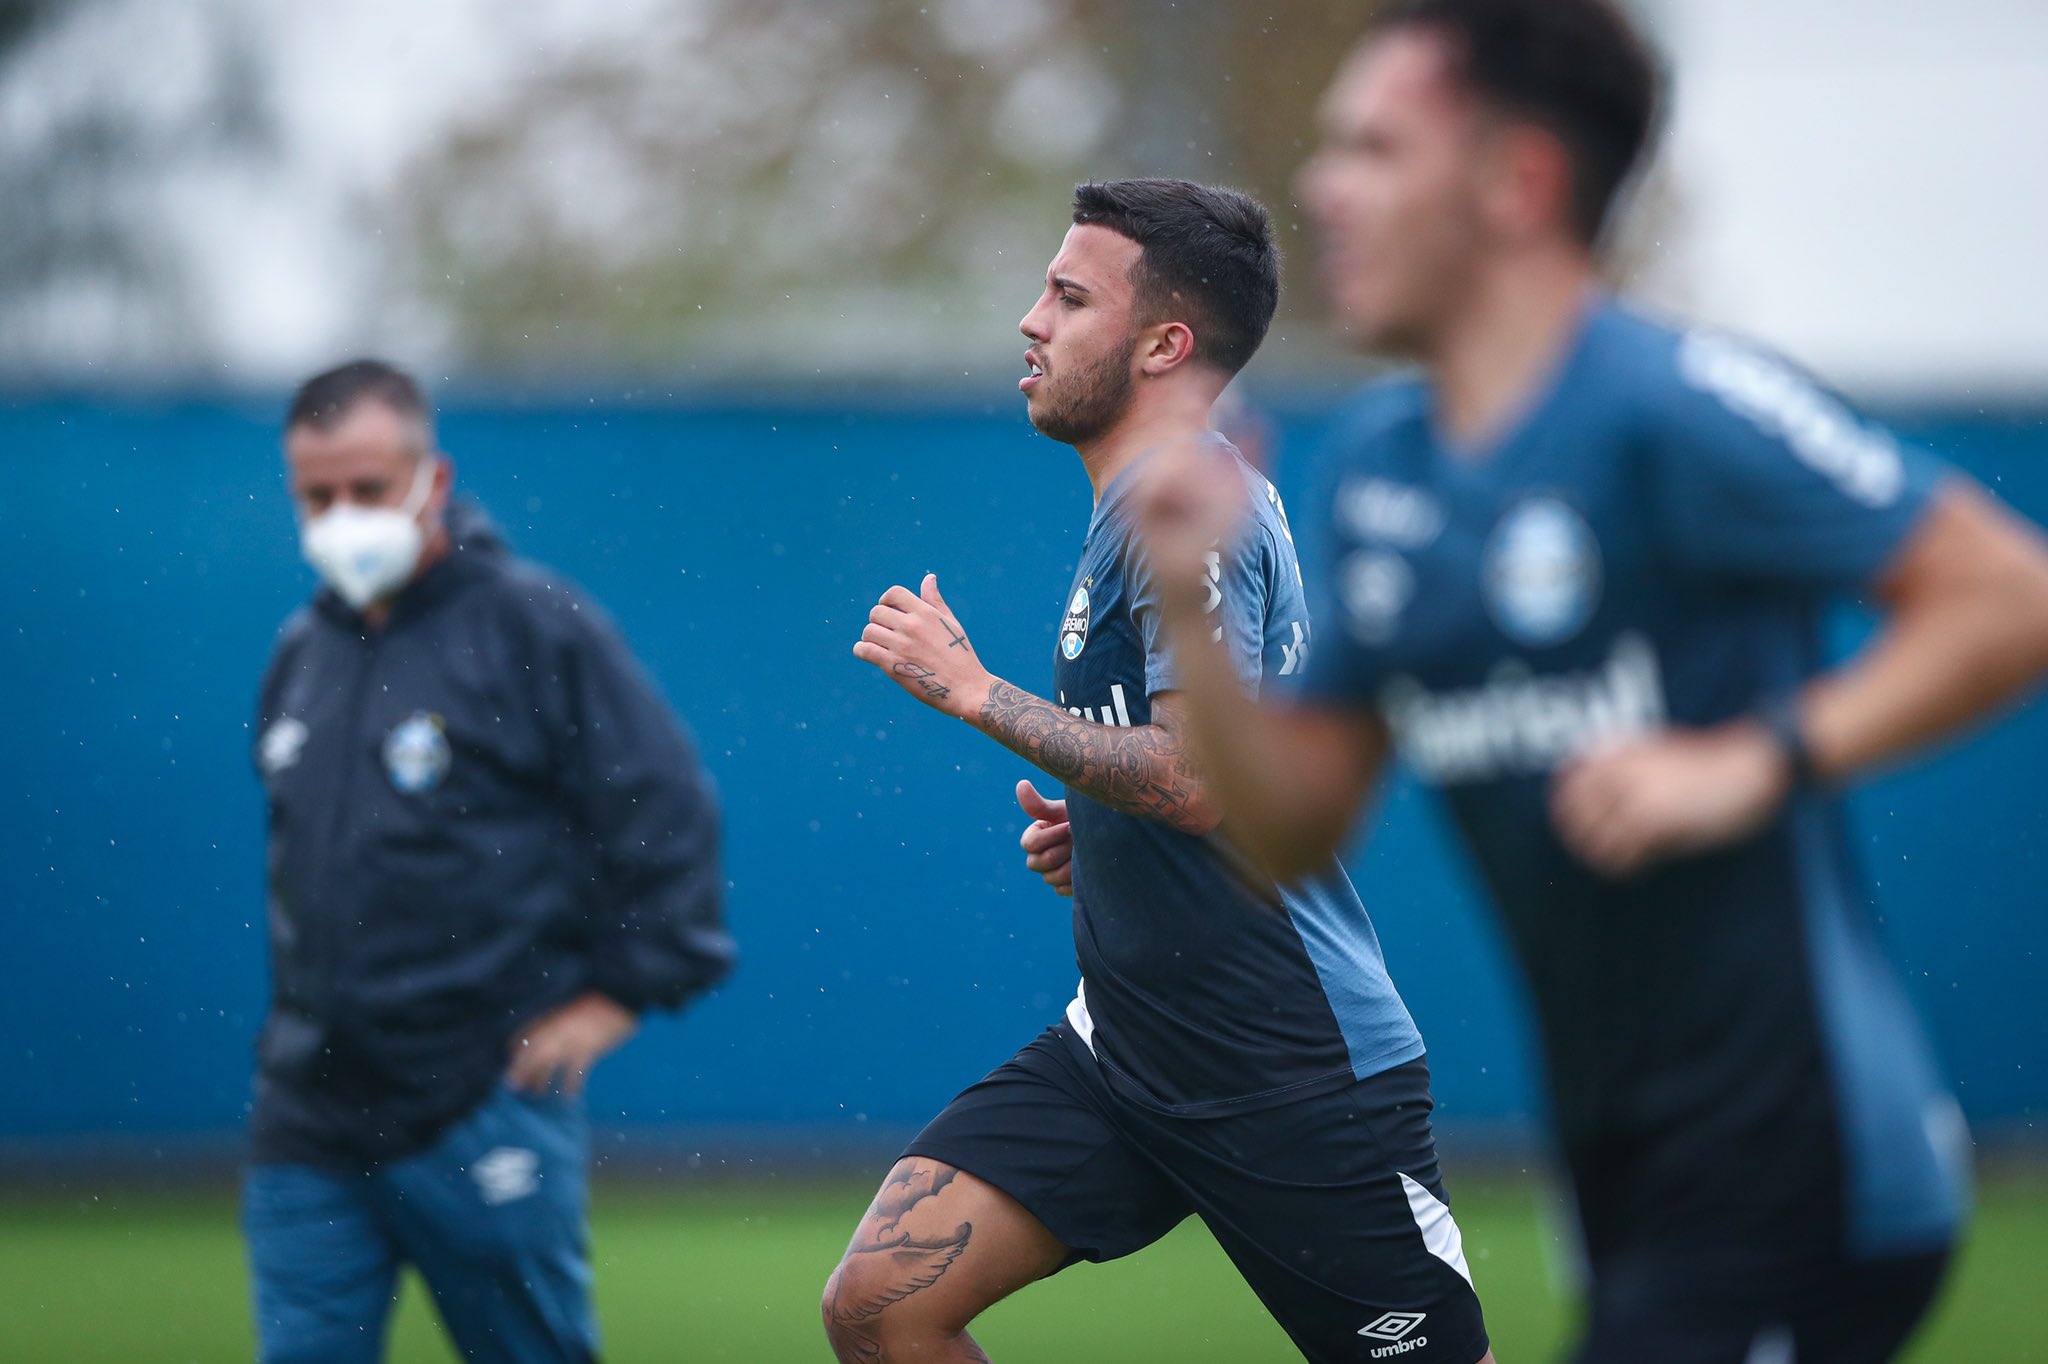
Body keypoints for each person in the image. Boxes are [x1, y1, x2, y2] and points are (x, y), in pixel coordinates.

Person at [1130, 3, 2048, 1361]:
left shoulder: (1668, 406)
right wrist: (1193, 617)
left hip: (1802, 1168)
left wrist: (1753, 761)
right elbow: (1289, 829)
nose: (1326, 185)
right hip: (1627, 1173)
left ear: (1520, 183)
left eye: (1376, 146)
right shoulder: (1384, 465)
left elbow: (2009, 596)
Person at [826, 179, 1495, 1364]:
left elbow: (1197, 776)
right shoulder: (1142, 503)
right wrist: (1101, 833)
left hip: (1284, 1069)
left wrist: (974, 692)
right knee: (882, 1305)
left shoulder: (1195, 506)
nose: (1031, 319)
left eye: (1067, 296)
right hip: (1128, 1050)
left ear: (1163, 344)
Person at [245, 360, 735, 1364]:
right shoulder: (303, 651)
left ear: (433, 476)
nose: (342, 515)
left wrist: (616, 998)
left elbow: (666, 812)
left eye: (367, 489)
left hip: (479, 1093)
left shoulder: (532, 624)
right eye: (316, 495)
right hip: (307, 1115)